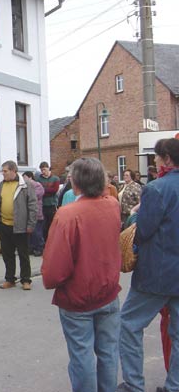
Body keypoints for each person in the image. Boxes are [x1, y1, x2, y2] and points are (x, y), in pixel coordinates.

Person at [42, 158, 121, 392]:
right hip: (108, 291)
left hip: (78, 298)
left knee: (82, 355)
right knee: (108, 352)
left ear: (76, 183)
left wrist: (52, 281)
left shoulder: (68, 215)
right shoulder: (112, 205)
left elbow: (54, 268)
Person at [118, 138, 179, 392]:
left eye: (156, 157)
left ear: (166, 159)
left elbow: (143, 231)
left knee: (129, 324)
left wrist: (134, 214)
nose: (154, 161)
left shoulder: (156, 189)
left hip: (157, 273)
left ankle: (134, 385)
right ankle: (175, 385)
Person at [0, 161, 37, 290]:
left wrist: (31, 224)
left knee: (23, 254)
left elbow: (33, 206)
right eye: (3, 171)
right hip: (4, 225)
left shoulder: (25, 185)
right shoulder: (0, 185)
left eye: (5, 171)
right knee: (7, 254)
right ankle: (10, 279)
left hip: (20, 226)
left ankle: (26, 280)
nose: (2, 173)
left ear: (13, 171)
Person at [22, 171, 44, 257]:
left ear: (30, 177)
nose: (24, 179)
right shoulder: (24, 186)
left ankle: (39, 248)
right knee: (29, 232)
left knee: (37, 232)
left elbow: (34, 196)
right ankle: (31, 248)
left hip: (37, 213)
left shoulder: (37, 185)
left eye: (25, 177)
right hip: (27, 213)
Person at [37, 161, 59, 241]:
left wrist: (43, 190)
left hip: (52, 204)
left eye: (44, 170)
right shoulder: (38, 179)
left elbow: (54, 190)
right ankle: (45, 241)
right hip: (42, 205)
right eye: (42, 170)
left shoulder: (55, 178)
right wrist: (46, 191)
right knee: (44, 225)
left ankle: (52, 240)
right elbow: (38, 191)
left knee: (51, 224)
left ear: (48, 168)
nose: (43, 172)